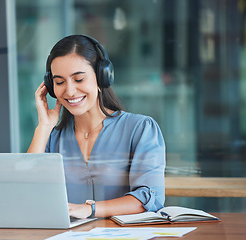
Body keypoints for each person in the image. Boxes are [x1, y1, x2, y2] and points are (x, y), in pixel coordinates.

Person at [27, 35, 165, 219]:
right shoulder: (52, 137)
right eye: (59, 82)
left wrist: (88, 209)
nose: (69, 91)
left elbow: (149, 199)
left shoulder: (140, 129)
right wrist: (44, 126)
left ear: (102, 78)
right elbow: (26, 192)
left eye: (78, 79)